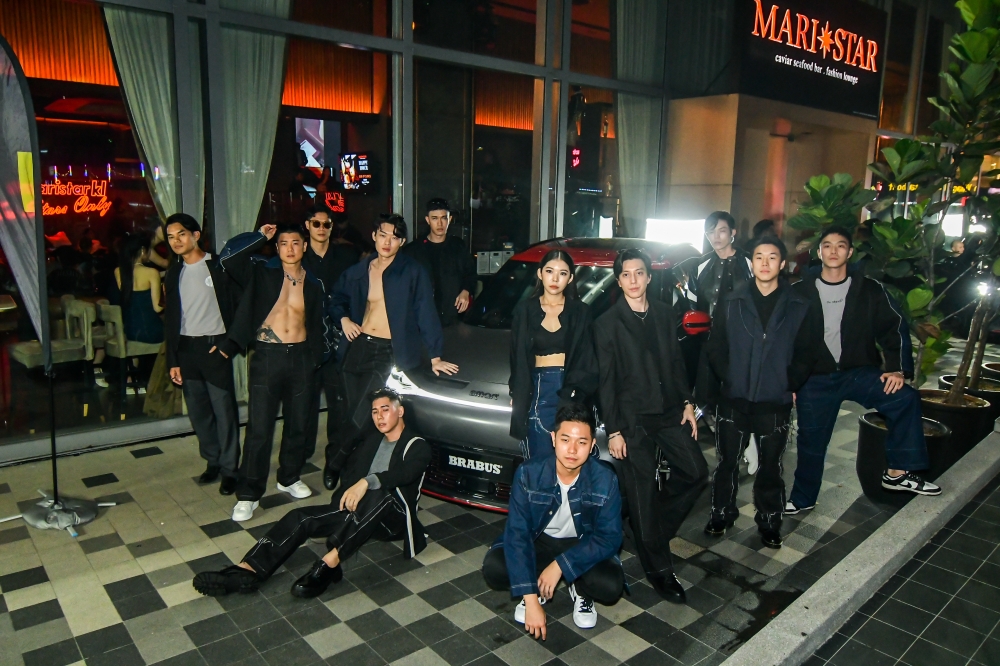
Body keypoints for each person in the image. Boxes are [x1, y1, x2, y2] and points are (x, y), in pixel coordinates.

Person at [191, 388, 431, 599]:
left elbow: (403, 475)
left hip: (393, 519)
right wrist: (340, 505)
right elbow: (350, 476)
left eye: (385, 410)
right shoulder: (372, 441)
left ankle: (329, 564)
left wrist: (366, 483)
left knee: (381, 495)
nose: (379, 416)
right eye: (375, 412)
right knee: (301, 517)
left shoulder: (417, 445)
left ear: (400, 411)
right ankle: (249, 569)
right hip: (358, 513)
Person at [787, 226, 941, 516]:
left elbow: (894, 327)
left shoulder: (869, 289)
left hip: (857, 372)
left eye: (840, 245)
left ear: (849, 252)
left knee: (905, 398)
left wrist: (897, 369)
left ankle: (897, 473)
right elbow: (784, 339)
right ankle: (803, 498)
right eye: (827, 245)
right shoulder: (798, 291)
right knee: (811, 442)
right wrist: (790, 382)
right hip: (814, 378)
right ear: (819, 252)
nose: (833, 250)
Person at [594, 249, 708, 603]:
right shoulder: (607, 323)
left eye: (639, 273)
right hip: (631, 420)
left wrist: (687, 402)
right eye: (626, 275)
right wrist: (614, 430)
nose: (633, 280)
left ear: (649, 277)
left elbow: (675, 362)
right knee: (642, 492)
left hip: (668, 410)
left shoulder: (663, 312)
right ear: (618, 281)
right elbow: (606, 382)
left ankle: (649, 529)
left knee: (696, 471)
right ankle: (659, 570)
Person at [703, 236, 819, 548]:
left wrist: (789, 381)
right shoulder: (732, 301)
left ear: (782, 264)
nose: (765, 263)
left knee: (771, 467)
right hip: (734, 398)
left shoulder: (799, 305)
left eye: (772, 257)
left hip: (774, 400)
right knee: (727, 462)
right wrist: (729, 377)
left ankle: (769, 521)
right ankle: (721, 513)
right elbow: (716, 345)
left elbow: (808, 351)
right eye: (758, 257)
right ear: (751, 262)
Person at [328, 214, 458, 490]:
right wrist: (344, 319)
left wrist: (435, 355)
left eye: (395, 237)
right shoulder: (360, 270)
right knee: (349, 413)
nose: (388, 242)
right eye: (383, 235)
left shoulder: (412, 271)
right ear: (374, 236)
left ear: (402, 241)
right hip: (358, 347)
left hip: (387, 351)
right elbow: (335, 298)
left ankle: (336, 462)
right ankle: (352, 470)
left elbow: (425, 311)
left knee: (363, 415)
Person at [216, 223, 330, 521]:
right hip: (268, 356)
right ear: (276, 248)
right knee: (260, 429)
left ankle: (289, 477)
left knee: (299, 424)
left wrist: (316, 357)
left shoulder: (314, 282)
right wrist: (258, 238)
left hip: (302, 357)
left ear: (305, 246)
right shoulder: (262, 273)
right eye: (283, 243)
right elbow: (228, 259)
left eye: (296, 242)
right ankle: (248, 494)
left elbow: (318, 322)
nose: (290, 248)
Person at [482, 403, 624, 636]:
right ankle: (536, 586)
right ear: (553, 439)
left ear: (592, 446)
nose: (572, 450)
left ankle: (581, 589)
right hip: (540, 541)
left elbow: (610, 538)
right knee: (495, 567)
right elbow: (518, 533)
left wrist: (561, 565)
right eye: (565, 439)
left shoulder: (605, 479)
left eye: (582, 442)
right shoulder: (528, 473)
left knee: (609, 585)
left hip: (581, 543)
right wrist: (530, 599)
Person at [164, 214, 241, 495]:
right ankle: (213, 462)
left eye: (181, 234)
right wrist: (173, 360)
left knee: (224, 412)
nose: (176, 241)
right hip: (187, 350)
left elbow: (240, 307)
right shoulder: (174, 272)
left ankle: (231, 469)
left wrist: (228, 344)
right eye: (171, 237)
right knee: (199, 414)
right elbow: (171, 319)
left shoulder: (218, 266)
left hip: (214, 348)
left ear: (196, 235)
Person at [509, 250, 598, 460]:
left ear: (571, 278)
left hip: (572, 389)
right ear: (540, 273)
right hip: (538, 388)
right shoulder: (524, 310)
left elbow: (587, 359)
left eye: (562, 273)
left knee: (571, 461)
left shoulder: (581, 311)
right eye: (550, 271)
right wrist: (516, 392)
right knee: (539, 463)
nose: (555, 279)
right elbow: (517, 356)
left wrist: (574, 394)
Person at [300, 207, 361, 482]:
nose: (322, 228)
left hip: (338, 341)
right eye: (316, 223)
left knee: (338, 407)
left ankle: (333, 463)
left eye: (326, 224)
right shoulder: (298, 257)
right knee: (304, 404)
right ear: (307, 225)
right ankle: (300, 456)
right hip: (306, 341)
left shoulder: (347, 257)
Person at [402, 198, 478, 327]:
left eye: (444, 218)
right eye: (435, 218)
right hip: (422, 318)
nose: (440, 223)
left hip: (453, 316)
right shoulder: (413, 251)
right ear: (428, 220)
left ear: (450, 219)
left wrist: (466, 291)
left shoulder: (458, 247)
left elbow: (470, 273)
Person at [110, 233, 164, 345]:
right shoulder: (152, 273)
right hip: (150, 332)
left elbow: (135, 280)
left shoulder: (118, 271)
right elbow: (158, 308)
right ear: (143, 250)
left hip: (130, 331)